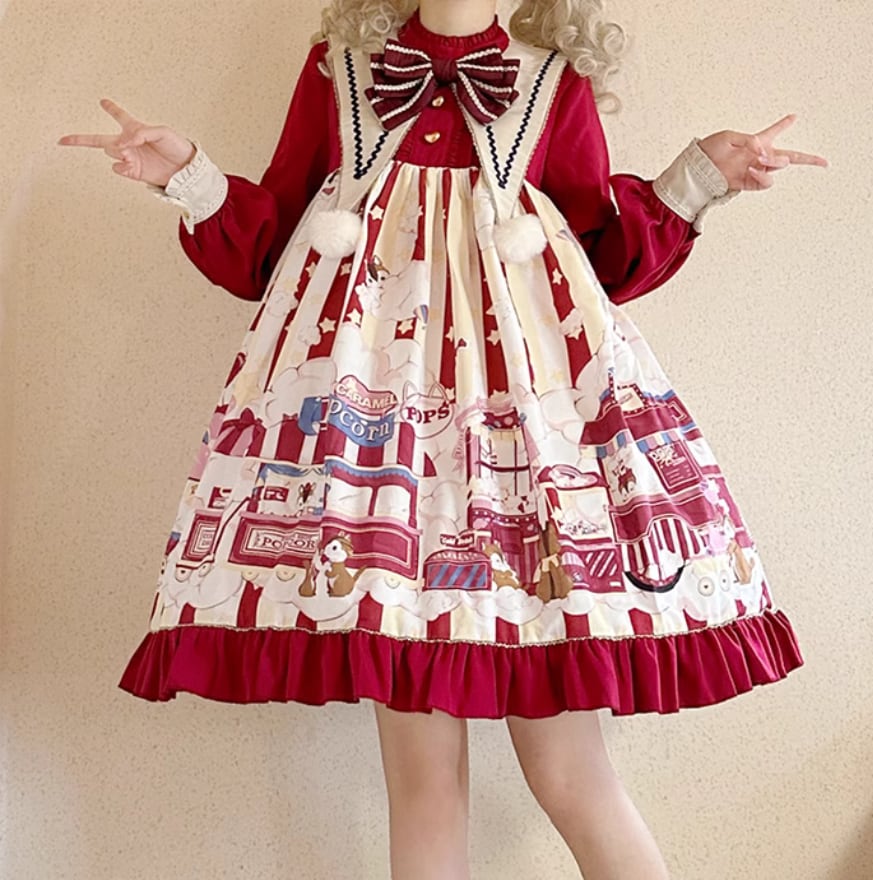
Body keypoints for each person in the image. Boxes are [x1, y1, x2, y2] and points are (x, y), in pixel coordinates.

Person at [58, 1, 827, 877]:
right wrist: (191, 179)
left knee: (571, 774)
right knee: (424, 785)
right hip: (382, 457)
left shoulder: (549, 77)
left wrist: (700, 177)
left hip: (531, 451)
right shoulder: (341, 67)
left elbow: (602, 255)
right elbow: (273, 250)